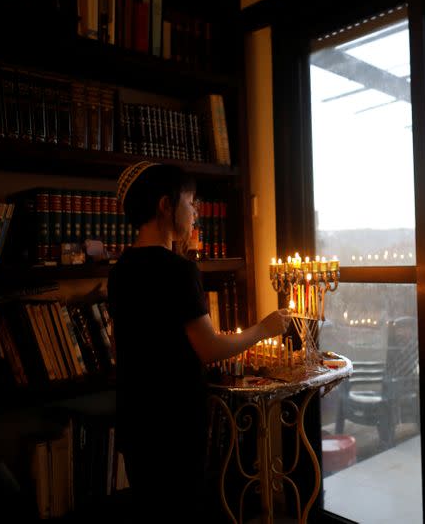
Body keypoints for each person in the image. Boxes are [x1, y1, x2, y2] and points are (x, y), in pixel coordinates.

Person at [108, 161, 289, 522]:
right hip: (173, 418)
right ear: (165, 205)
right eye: (190, 203)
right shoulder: (178, 270)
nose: (194, 214)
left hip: (135, 414)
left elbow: (120, 347)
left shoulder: (121, 268)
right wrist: (264, 329)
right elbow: (208, 348)